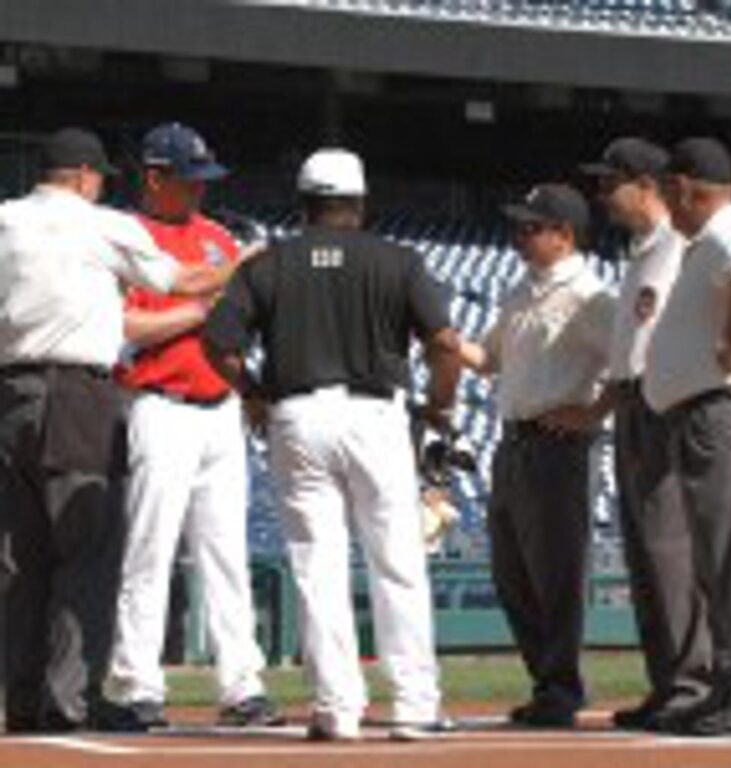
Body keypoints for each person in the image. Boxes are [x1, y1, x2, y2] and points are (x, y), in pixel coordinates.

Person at [202, 148, 461, 741]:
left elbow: (218, 342)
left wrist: (253, 393)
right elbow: (444, 342)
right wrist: (439, 405)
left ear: (304, 202)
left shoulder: (269, 263)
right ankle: (416, 704)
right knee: (396, 561)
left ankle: (336, 708)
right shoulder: (398, 260)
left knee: (317, 564)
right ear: (361, 201)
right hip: (375, 414)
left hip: (297, 414)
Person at [0, 127, 230, 733]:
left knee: (19, 557)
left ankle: (22, 699)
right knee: (87, 549)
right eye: (98, 177)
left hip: (8, 395)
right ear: (82, 176)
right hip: (77, 391)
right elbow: (185, 282)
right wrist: (246, 264)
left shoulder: (4, 220)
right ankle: (70, 699)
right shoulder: (100, 224)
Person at [106, 123, 279, 729]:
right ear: (154, 178)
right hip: (159, 403)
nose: (200, 192)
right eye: (188, 180)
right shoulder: (126, 235)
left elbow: (239, 323)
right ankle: (135, 684)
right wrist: (201, 310)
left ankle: (241, 686)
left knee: (227, 554)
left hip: (219, 407)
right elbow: (127, 327)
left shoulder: (215, 238)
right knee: (148, 552)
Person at [459, 184, 615, 728]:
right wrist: (441, 335)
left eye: (532, 227)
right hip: (513, 440)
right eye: (520, 226)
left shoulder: (590, 294)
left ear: (565, 234)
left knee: (555, 573)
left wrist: (593, 413)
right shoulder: (521, 290)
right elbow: (487, 359)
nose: (520, 235)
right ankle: (548, 682)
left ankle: (561, 688)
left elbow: (630, 362)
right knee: (511, 573)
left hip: (558, 445)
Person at [581, 138, 712, 730]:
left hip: (664, 401)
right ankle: (668, 682)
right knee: (644, 552)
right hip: (633, 401)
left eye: (612, 184)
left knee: (670, 549)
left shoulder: (682, 247)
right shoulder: (642, 252)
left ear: (647, 185)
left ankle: (692, 683)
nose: (602, 196)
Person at [644, 138, 731, 736]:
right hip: (704, 414)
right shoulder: (708, 240)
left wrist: (729, 340)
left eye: (669, 191)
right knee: (718, 562)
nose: (668, 204)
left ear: (687, 188)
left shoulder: (726, 233)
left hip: (723, 411)